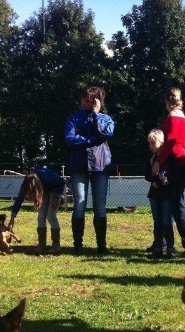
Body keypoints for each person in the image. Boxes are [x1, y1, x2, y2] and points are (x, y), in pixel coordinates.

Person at [65, 87, 115, 255]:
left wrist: (95, 115)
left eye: (90, 100)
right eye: (84, 99)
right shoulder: (73, 118)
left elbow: (107, 133)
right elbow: (70, 140)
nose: (85, 102)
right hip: (79, 166)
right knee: (79, 204)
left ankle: (102, 245)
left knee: (100, 206)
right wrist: (92, 140)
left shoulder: (105, 119)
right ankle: (77, 245)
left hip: (100, 166)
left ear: (97, 102)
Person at [153, 87, 185, 257]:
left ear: (167, 102)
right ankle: (163, 242)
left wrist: (158, 161)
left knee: (176, 204)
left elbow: (171, 140)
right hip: (182, 160)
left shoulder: (172, 116)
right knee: (172, 203)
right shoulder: (183, 117)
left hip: (175, 162)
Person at [8, 167, 66, 255]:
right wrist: (12, 217)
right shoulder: (26, 185)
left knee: (51, 216)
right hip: (44, 190)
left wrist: (57, 197)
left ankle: (56, 245)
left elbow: (62, 182)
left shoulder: (48, 179)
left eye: (32, 194)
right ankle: (42, 244)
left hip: (55, 189)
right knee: (41, 216)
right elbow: (19, 200)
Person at [145, 129, 177, 259]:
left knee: (167, 221)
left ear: (162, 143)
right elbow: (147, 174)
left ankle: (170, 247)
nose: (151, 146)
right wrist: (154, 180)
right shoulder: (152, 159)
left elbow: (174, 175)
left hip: (167, 194)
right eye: (150, 143)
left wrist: (166, 180)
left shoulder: (170, 158)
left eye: (153, 143)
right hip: (154, 194)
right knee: (157, 221)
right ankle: (158, 247)